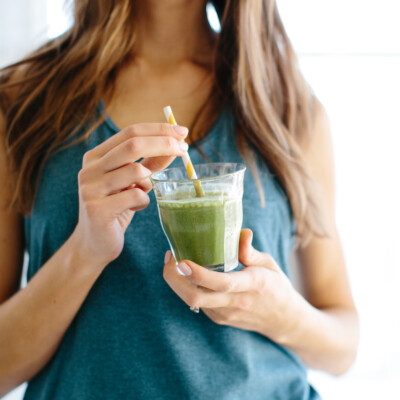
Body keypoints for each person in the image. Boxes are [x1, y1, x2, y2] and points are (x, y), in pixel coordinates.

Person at [0, 0, 359, 399]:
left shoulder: (288, 107)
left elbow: (343, 346)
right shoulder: (20, 102)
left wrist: (279, 313)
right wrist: (85, 250)